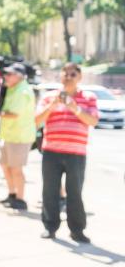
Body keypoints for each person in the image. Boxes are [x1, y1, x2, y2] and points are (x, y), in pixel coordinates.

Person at [35, 62, 99, 243]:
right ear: (60, 76)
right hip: (51, 151)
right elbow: (36, 121)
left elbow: (93, 121)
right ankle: (50, 226)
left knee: (75, 192)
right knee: (49, 191)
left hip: (76, 153)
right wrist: (52, 106)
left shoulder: (88, 97)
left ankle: (77, 230)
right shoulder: (49, 97)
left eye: (72, 74)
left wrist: (75, 108)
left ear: (79, 77)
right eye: (65, 74)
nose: (68, 77)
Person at [0, 63, 36, 210]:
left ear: (19, 76)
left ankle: (20, 199)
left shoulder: (22, 91)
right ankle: (12, 194)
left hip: (19, 136)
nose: (6, 76)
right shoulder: (13, 88)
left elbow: (14, 114)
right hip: (10, 135)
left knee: (16, 169)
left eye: (9, 74)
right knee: (6, 165)